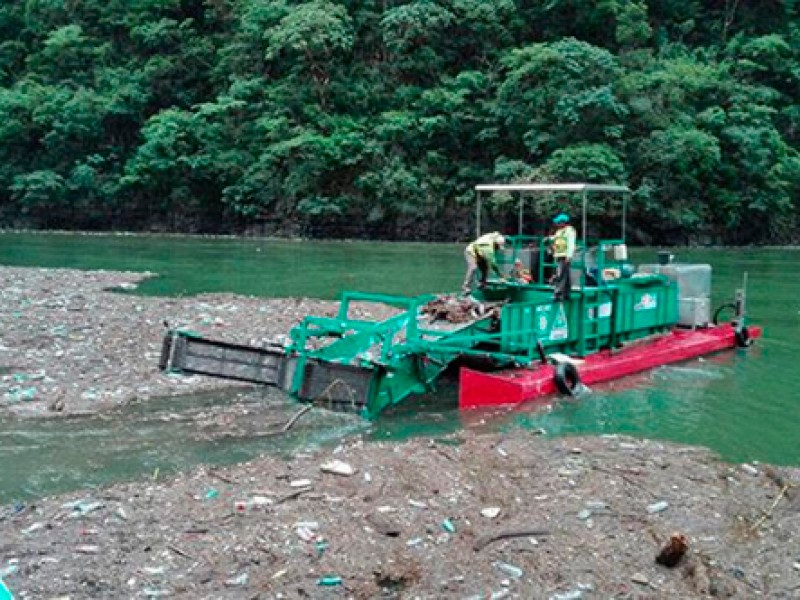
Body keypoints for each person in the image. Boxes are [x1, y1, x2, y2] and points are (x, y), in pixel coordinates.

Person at [549, 212, 576, 300]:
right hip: (559, 255)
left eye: (558, 222)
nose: (557, 224)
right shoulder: (559, 231)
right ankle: (566, 293)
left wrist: (569, 256)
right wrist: (549, 239)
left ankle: (558, 292)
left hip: (565, 256)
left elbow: (571, 244)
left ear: (563, 222)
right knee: (565, 275)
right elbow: (555, 238)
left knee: (560, 274)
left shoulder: (569, 231)